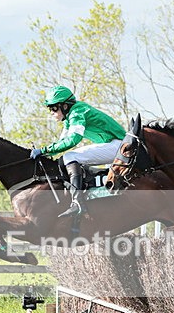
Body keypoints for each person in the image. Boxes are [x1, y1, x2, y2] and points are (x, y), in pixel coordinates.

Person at [29, 85, 126, 217]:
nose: (51, 112)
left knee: (70, 157)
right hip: (114, 145)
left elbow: (73, 140)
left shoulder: (77, 112)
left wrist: (44, 150)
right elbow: (61, 142)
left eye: (53, 107)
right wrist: (45, 153)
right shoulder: (70, 117)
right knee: (66, 159)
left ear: (64, 106)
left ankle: (77, 202)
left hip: (120, 146)